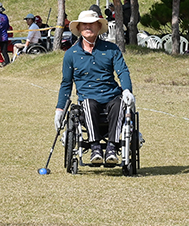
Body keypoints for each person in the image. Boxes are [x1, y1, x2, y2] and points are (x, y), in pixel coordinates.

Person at [55, 10, 134, 165]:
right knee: (88, 104)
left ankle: (112, 147)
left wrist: (127, 90)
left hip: (111, 95)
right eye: (84, 24)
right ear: (79, 28)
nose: (88, 27)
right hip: (88, 99)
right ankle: (95, 147)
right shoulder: (70, 54)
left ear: (98, 27)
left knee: (120, 103)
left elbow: (122, 71)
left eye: (92, 24)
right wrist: (59, 110)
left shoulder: (111, 49)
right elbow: (66, 83)